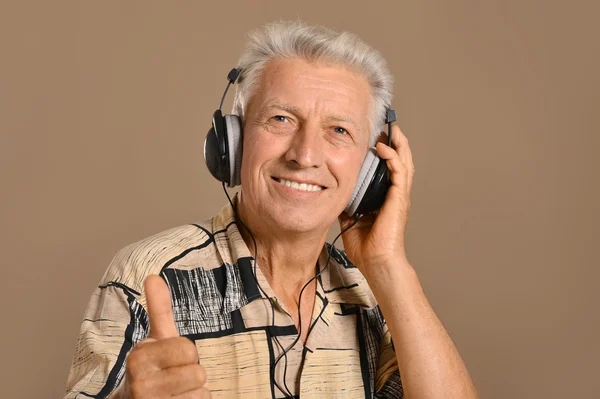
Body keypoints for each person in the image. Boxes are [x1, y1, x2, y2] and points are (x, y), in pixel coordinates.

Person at [65, 20, 478, 399]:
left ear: (370, 172)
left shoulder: (374, 296)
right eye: (281, 119)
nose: (305, 155)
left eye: (339, 131)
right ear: (234, 143)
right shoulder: (148, 275)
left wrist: (388, 265)